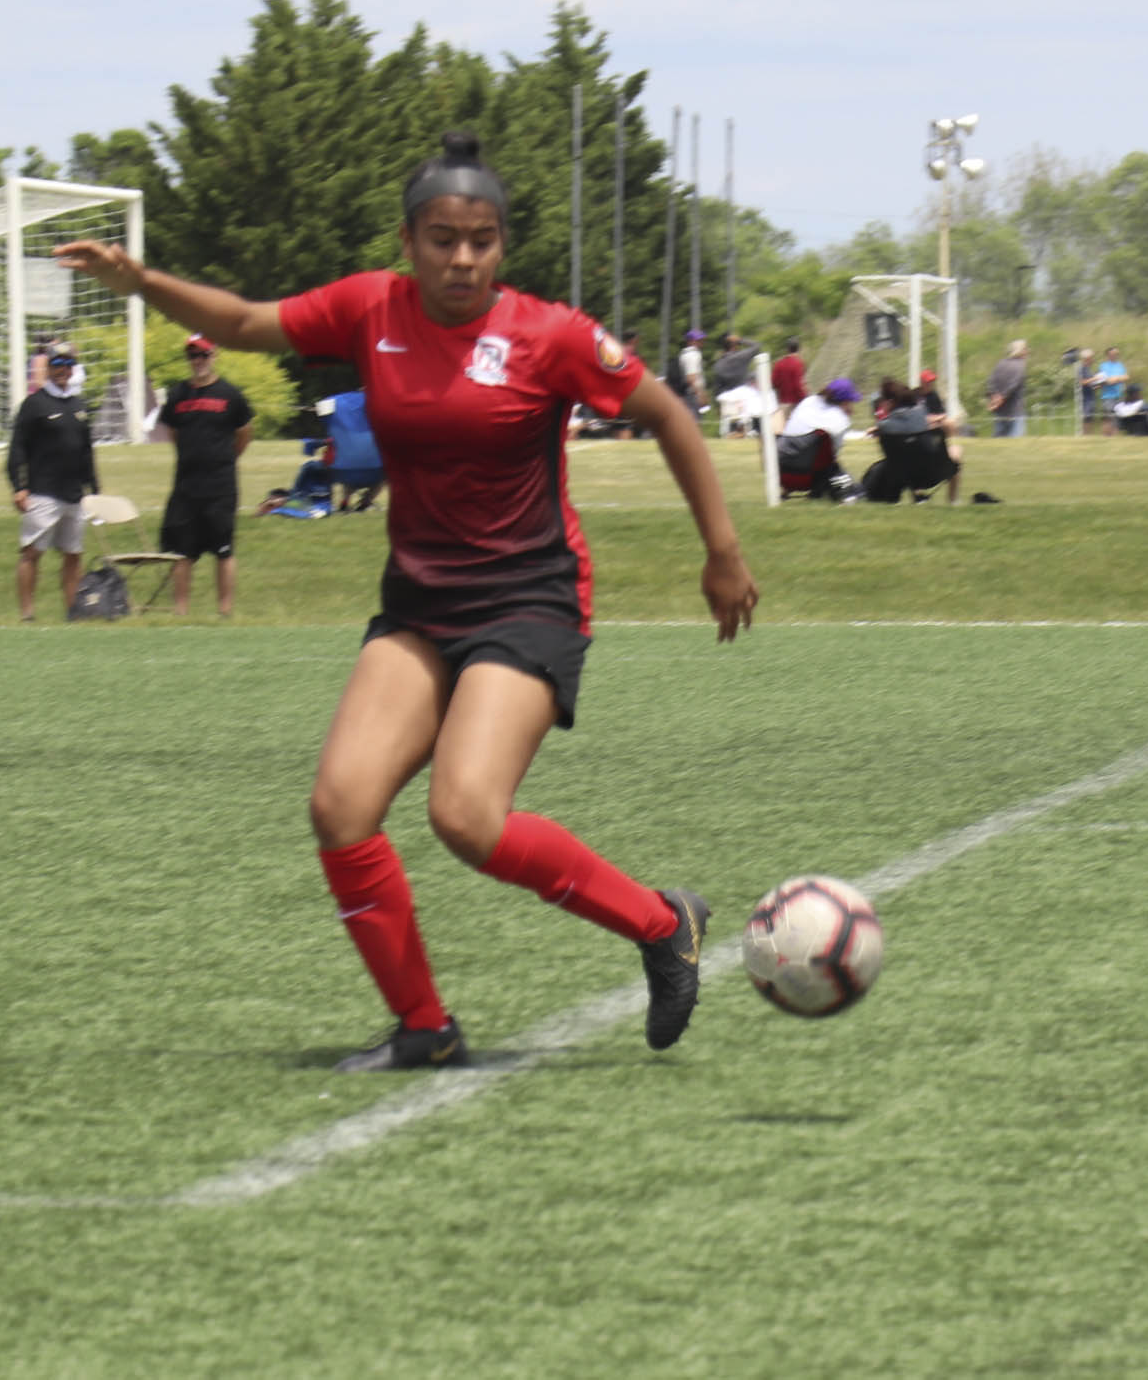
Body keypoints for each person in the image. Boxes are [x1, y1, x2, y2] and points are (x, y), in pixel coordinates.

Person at [54, 131, 759, 1072]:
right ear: (410, 240)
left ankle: (661, 923)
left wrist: (721, 550)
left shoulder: (548, 334)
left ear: (503, 244)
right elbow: (243, 322)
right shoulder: (367, 308)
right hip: (420, 602)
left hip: (529, 596)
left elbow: (667, 412)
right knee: (340, 806)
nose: (461, 257)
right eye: (441, 238)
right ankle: (424, 1028)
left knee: (466, 815)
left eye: (480, 239)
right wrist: (140, 281)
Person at [153, 334, 254, 616]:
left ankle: (224, 610)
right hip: (186, 484)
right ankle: (180, 609)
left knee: (223, 549)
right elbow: (173, 432)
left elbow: (244, 433)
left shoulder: (230, 395)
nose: (198, 361)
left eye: (203, 355)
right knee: (181, 551)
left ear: (214, 355)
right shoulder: (177, 395)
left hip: (220, 485)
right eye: (193, 356)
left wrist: (225, 458)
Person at [7, 344, 97, 621]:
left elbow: (86, 452)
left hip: (73, 494)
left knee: (73, 554)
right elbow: (17, 448)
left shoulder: (79, 404)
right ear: (48, 367)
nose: (63, 369)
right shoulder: (34, 404)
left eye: (69, 364)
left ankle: (73, 611)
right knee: (32, 552)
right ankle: (27, 613)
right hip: (43, 491)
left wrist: (95, 490)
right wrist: (18, 486)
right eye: (58, 363)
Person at [866, 378, 965, 503]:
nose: (881, 404)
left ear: (890, 402)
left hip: (904, 477)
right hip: (934, 474)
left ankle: (917, 495)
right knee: (956, 449)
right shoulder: (920, 412)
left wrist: (878, 428)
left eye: (882, 400)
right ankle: (953, 500)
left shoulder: (885, 427)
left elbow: (894, 424)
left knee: (906, 454)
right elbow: (918, 424)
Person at [778, 376, 863, 499]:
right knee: (853, 485)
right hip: (808, 477)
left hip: (782, 474)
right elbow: (831, 457)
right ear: (845, 402)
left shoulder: (808, 402)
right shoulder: (840, 420)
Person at [988, 340, 1029, 438]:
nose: (1028, 351)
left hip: (1000, 410)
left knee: (998, 439)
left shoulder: (1000, 363)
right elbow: (1014, 384)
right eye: (1026, 349)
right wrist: (1002, 397)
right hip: (1015, 411)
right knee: (1016, 442)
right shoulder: (1020, 365)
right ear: (1021, 351)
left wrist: (994, 397)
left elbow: (991, 381)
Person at [770, 339, 808, 431]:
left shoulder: (779, 364)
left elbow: (773, 382)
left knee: (784, 429)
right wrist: (805, 398)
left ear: (787, 349)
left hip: (783, 402)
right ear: (798, 349)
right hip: (796, 403)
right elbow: (798, 385)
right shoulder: (798, 363)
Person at [1092, 348, 1129, 435]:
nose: (1115, 355)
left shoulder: (1120, 365)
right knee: (1108, 417)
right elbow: (1100, 380)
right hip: (1107, 396)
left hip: (1119, 395)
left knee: (1118, 417)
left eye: (1116, 354)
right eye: (1113, 354)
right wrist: (1110, 380)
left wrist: (1116, 379)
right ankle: (1106, 436)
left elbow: (1126, 377)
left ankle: (1115, 436)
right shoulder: (1103, 366)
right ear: (1108, 355)